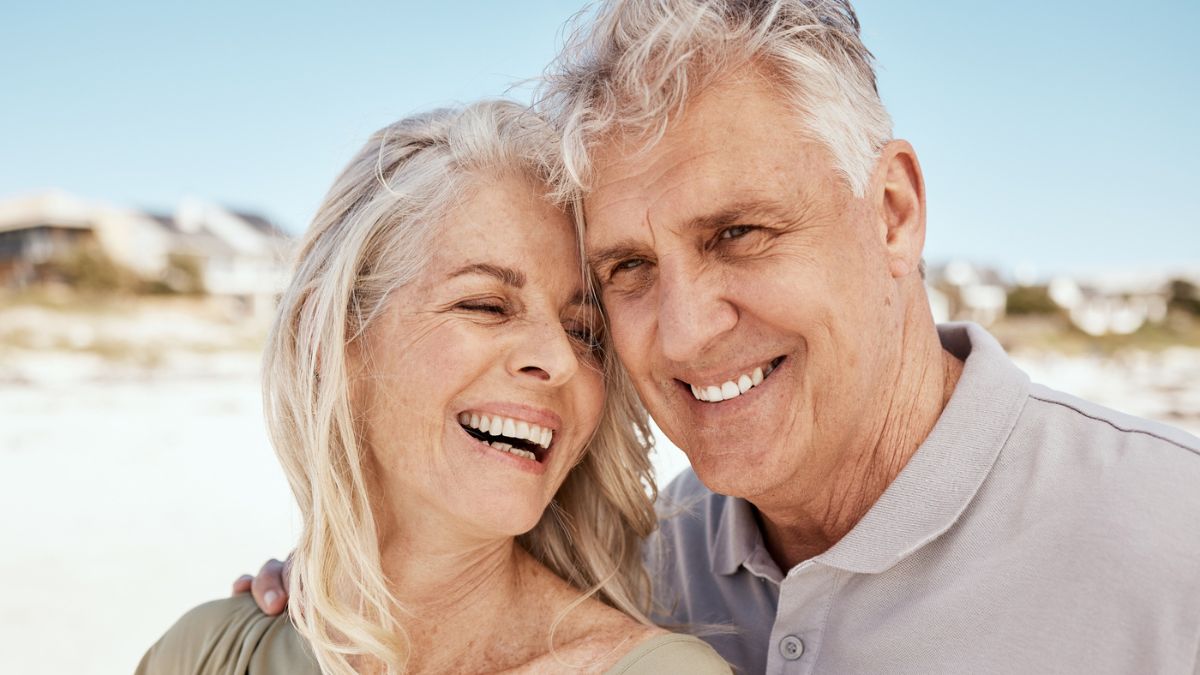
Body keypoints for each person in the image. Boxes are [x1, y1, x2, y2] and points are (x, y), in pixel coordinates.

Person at [241, 1, 1200, 673]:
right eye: (628, 270)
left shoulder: (1174, 540)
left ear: (894, 213)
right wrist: (327, 592)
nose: (688, 331)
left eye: (737, 234)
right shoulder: (644, 569)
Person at [138, 101, 731, 674]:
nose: (559, 361)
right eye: (486, 305)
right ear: (331, 342)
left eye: (583, 331)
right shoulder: (205, 652)